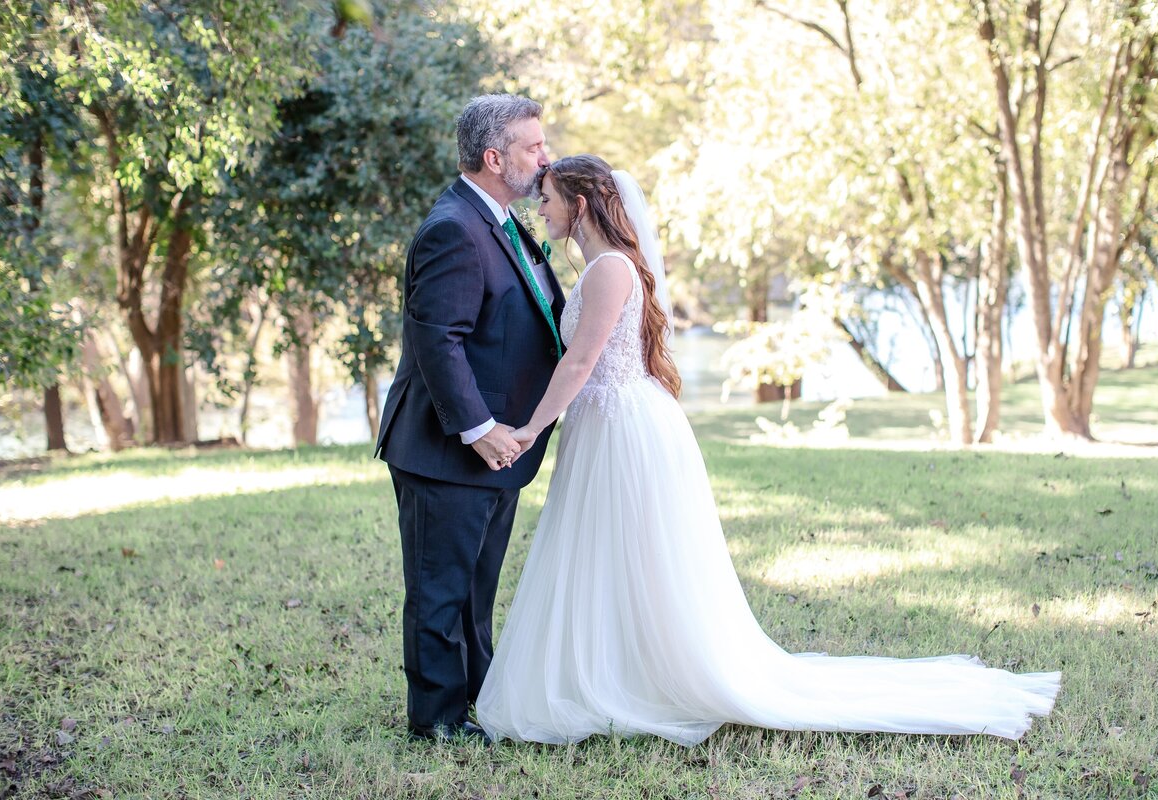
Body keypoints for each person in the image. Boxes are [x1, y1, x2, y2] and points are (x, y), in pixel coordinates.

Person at [473, 155, 1060, 746]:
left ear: (578, 204)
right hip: (611, 421)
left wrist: (526, 431)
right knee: (608, 553)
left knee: (627, 550)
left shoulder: (607, 271)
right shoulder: (608, 265)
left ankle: (633, 679)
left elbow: (580, 362)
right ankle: (619, 672)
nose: (539, 208)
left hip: (621, 426)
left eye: (546, 197)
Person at [374, 94, 565, 743]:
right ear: (494, 156)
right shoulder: (453, 227)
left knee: (476, 592)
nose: (547, 157)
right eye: (534, 147)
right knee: (439, 591)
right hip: (448, 448)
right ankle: (436, 722)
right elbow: (438, 338)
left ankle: (478, 700)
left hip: (497, 448)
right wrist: (481, 430)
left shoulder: (503, 223)